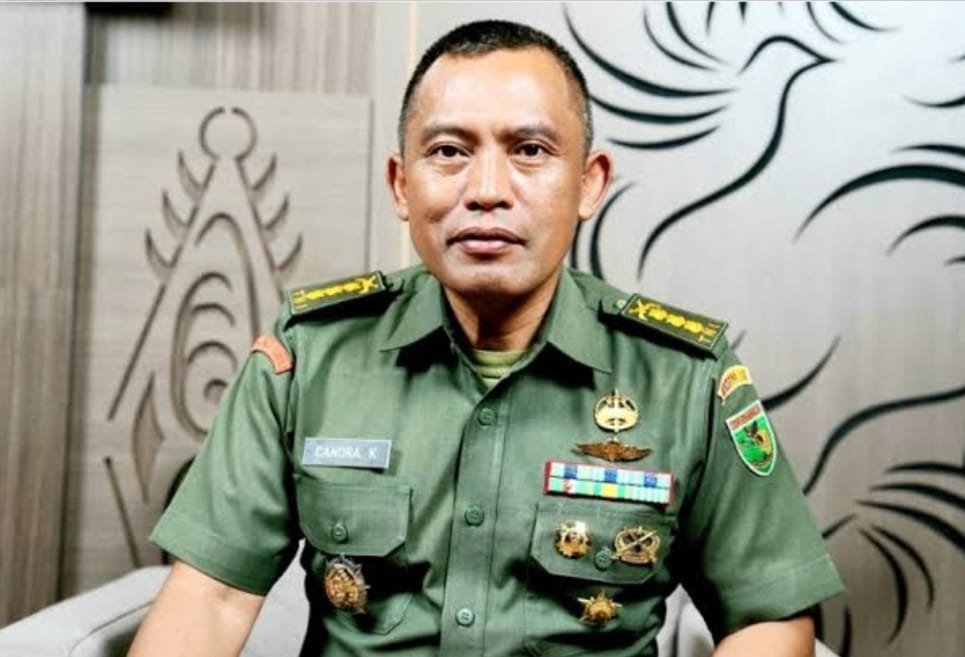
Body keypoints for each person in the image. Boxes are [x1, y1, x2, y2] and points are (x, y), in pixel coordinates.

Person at [128, 19, 844, 657]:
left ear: (588, 184)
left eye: (529, 150)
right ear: (401, 184)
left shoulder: (684, 377)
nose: (487, 190)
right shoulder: (309, 354)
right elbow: (210, 599)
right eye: (448, 151)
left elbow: (769, 616)